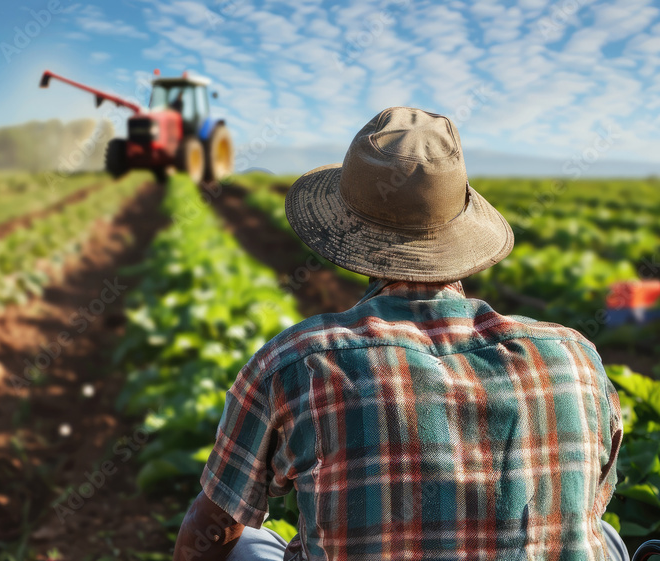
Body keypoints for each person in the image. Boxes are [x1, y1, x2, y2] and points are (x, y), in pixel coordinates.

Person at [172, 107, 627, 561]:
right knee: (605, 536)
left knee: (248, 543)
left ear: (346, 230)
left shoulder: (295, 362)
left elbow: (208, 531)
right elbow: (592, 499)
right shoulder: (577, 358)